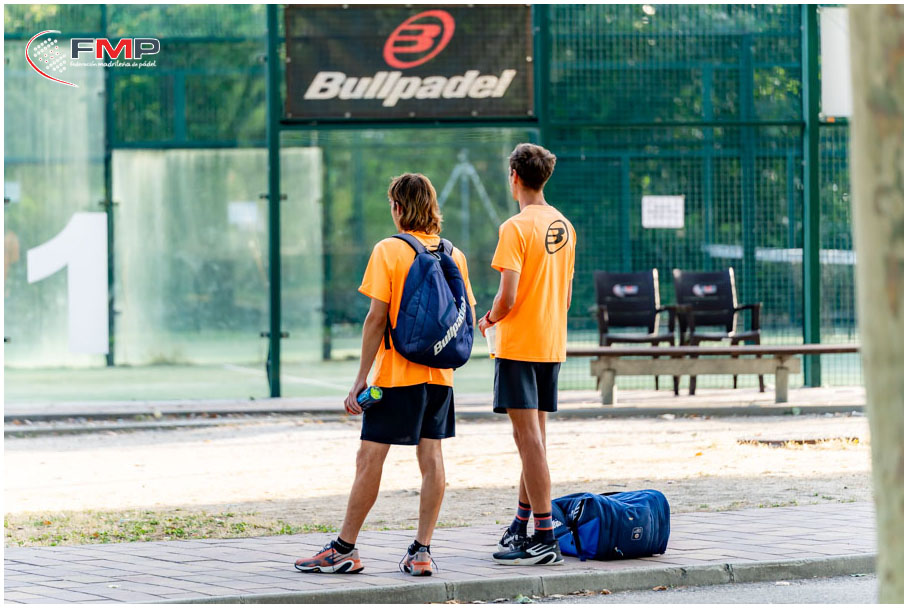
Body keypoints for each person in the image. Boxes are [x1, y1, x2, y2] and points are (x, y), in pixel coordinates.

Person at [295, 173, 476, 576]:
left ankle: (344, 549)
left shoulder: (389, 249)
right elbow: (465, 314)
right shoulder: (454, 254)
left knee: (369, 459)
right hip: (440, 378)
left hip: (396, 377)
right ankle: (422, 551)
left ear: (398, 207)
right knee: (432, 458)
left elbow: (376, 319)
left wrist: (361, 378)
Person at [477, 143, 576, 566]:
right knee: (535, 441)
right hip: (551, 343)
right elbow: (565, 297)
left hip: (519, 346)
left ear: (514, 177)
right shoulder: (565, 226)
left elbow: (508, 296)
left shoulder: (514, 228)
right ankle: (522, 525)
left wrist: (488, 319)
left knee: (528, 441)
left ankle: (544, 535)